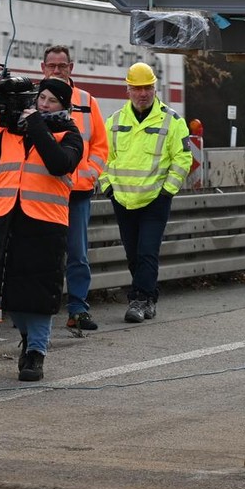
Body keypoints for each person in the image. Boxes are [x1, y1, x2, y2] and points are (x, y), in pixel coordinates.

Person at [0, 77, 83, 381]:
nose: (43, 104)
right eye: (41, 98)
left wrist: (36, 123)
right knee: (9, 292)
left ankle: (36, 352)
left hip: (45, 223)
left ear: (64, 106)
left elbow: (59, 163)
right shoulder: (13, 132)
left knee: (38, 293)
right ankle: (27, 337)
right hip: (6, 216)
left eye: (51, 101)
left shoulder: (69, 133)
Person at [99, 62, 192, 323]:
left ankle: (138, 300)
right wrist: (108, 188)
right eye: (138, 88)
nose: (143, 93)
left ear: (155, 88)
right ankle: (149, 296)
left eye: (148, 88)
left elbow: (182, 158)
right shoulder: (115, 121)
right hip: (123, 199)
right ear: (128, 90)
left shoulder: (172, 121)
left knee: (146, 252)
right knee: (133, 254)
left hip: (155, 199)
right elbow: (102, 156)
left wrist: (167, 191)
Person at [38, 46, 109, 332]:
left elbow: (101, 146)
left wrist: (87, 177)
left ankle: (77, 308)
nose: (57, 70)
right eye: (52, 66)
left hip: (77, 193)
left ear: (72, 67)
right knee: (42, 252)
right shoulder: (37, 100)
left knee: (77, 253)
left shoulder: (86, 101)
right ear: (43, 67)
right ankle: (40, 307)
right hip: (43, 191)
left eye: (62, 66)